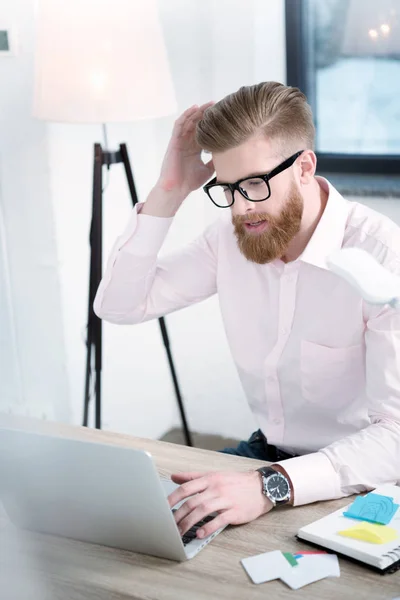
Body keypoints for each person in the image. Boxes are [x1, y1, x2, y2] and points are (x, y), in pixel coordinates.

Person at [94, 81, 400, 541]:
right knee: (141, 531)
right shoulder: (230, 240)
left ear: (304, 167)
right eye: (228, 188)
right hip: (266, 454)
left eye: (255, 184)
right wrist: (170, 190)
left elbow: (395, 435)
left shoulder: (381, 255)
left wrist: (269, 485)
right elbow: (119, 306)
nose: (242, 208)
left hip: (361, 473)